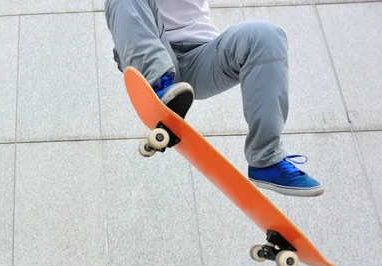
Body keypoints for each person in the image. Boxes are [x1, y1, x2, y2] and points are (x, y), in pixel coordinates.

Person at [104, 0, 323, 197]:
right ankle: (159, 85)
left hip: (203, 56)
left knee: (266, 35)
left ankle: (266, 157)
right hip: (154, 51)